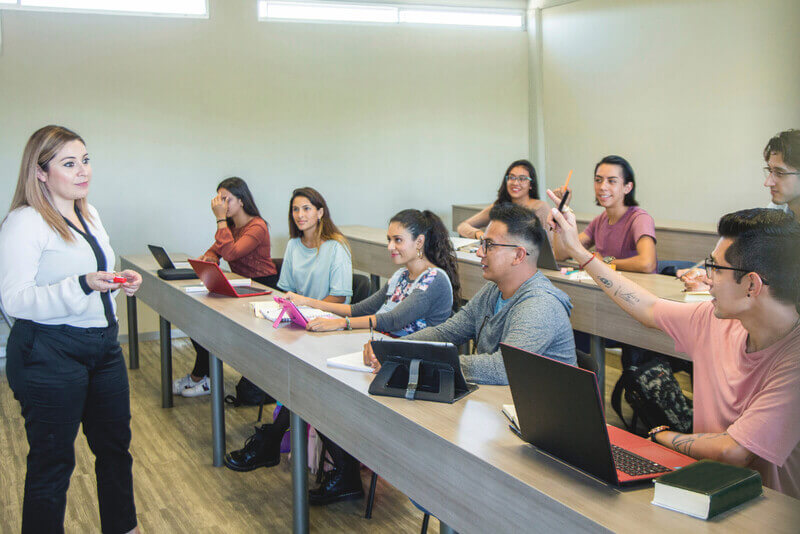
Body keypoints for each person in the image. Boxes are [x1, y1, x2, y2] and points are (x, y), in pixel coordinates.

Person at [548, 199, 800, 499]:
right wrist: (579, 252)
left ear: (752, 285)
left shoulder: (793, 361)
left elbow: (734, 452)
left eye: (716, 268)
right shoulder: (716, 320)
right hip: (706, 486)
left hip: (766, 509)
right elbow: (646, 306)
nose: (706, 278)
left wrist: (660, 436)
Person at [0, 125, 143, 533]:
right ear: (40, 172)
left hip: (102, 348)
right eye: (68, 163)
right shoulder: (24, 222)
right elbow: (15, 300)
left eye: (85, 160)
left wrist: (118, 283)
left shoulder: (88, 212)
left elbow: (92, 276)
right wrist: (81, 285)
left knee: (115, 451)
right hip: (47, 352)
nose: (83, 171)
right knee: (53, 463)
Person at [224, 187, 355, 497]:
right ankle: (272, 441)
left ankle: (270, 442)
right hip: (300, 325)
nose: (300, 215)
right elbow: (284, 291)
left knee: (302, 384)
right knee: (292, 378)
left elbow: (340, 298)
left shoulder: (337, 248)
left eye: (307, 209)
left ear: (321, 212)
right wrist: (290, 307)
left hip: (330, 328)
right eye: (296, 210)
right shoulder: (295, 246)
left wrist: (304, 303)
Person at [367, 203, 576, 385]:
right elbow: (447, 332)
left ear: (518, 255)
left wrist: (411, 359)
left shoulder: (541, 305)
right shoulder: (493, 290)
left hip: (546, 417)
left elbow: (501, 369)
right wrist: (394, 348)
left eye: (489, 245)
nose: (479, 253)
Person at [173, 177, 278, 397]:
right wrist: (211, 256)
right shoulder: (231, 226)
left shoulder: (257, 226)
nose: (222, 205)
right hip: (241, 288)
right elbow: (216, 250)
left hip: (262, 288)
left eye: (226, 200)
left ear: (241, 200)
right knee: (198, 320)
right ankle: (203, 376)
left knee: (209, 324)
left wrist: (220, 219)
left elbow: (231, 252)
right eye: (219, 200)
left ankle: (203, 377)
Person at [285, 208, 461, 334]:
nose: (390, 246)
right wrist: (306, 302)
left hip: (418, 360)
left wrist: (338, 323)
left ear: (419, 242)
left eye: (398, 240)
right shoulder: (401, 275)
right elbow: (358, 309)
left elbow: (393, 320)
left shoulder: (433, 278)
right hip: (390, 348)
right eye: (389, 240)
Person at [680, 129, 800, 291]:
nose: (768, 182)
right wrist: (711, 279)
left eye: (779, 173)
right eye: (770, 171)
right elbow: (752, 262)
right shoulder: (778, 210)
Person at [551, 155, 657, 273]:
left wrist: (604, 261)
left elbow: (647, 264)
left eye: (611, 181)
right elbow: (561, 254)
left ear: (627, 187)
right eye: (598, 180)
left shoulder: (640, 219)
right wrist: (560, 210)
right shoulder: (600, 220)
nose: (602, 187)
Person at [457, 159, 551, 240]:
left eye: (522, 179)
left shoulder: (540, 208)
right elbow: (462, 226)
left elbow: (550, 246)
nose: (515, 183)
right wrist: (480, 235)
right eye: (511, 177)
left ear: (531, 184)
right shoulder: (500, 205)